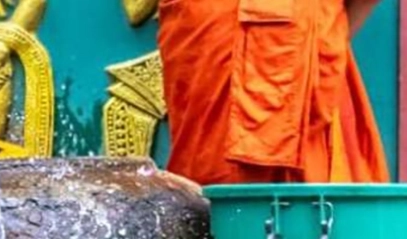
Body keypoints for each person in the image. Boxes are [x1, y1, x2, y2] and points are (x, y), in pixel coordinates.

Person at [158, 0, 390, 185]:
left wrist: (318, 38)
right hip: (203, 36)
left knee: (302, 200)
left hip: (295, 38)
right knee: (202, 167)